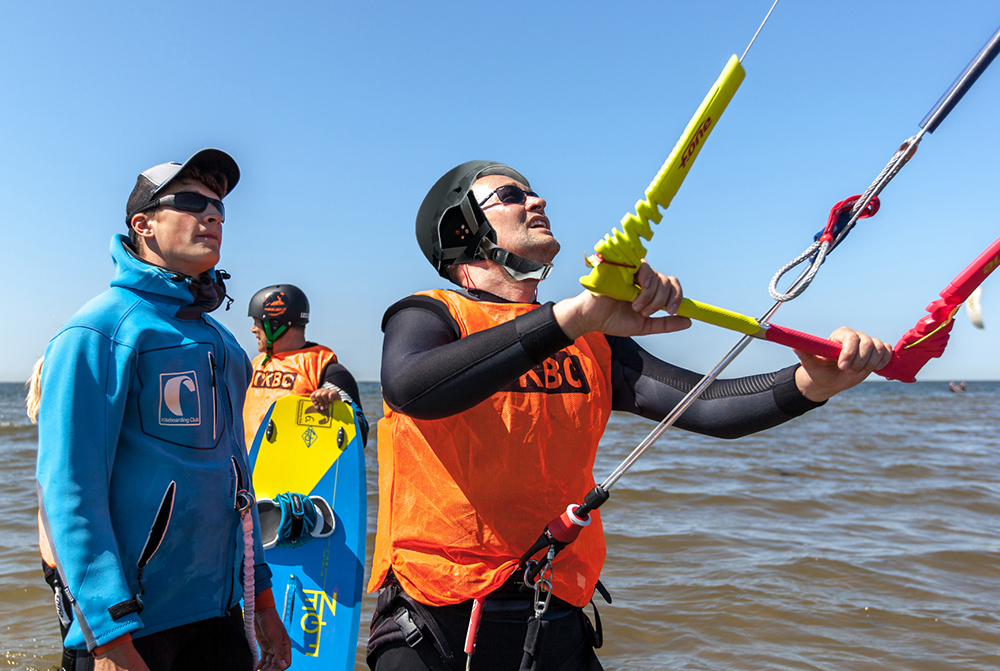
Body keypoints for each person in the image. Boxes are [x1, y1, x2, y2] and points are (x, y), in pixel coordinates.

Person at [366, 160, 892, 671]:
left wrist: (812, 384)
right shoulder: (428, 313)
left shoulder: (593, 342)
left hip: (552, 619)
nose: (537, 199)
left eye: (531, 191)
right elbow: (413, 388)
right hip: (432, 621)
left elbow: (708, 407)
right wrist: (572, 317)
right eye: (511, 195)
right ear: (462, 227)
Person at [35, 149, 291, 671]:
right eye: (192, 202)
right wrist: (108, 639)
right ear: (143, 225)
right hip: (132, 627)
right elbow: (69, 489)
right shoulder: (101, 332)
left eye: (219, 208)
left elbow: (238, 480)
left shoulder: (223, 344)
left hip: (217, 614)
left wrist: (260, 599)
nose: (213, 216)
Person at [243, 283, 369, 450]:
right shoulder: (254, 365)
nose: (253, 330)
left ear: (275, 324)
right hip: (250, 469)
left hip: (295, 470)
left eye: (257, 322)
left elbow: (361, 434)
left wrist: (337, 410)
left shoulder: (327, 369)